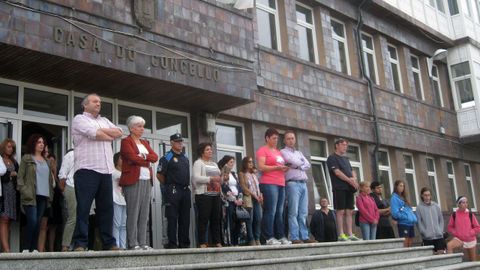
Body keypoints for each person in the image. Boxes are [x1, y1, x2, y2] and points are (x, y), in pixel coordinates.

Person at [71, 93, 123, 251]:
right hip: (87, 170)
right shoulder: (79, 119)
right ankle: (80, 243)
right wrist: (107, 135)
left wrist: (103, 132)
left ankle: (109, 243)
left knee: (107, 209)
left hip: (106, 171)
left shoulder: (104, 120)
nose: (98, 103)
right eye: (95, 101)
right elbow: (95, 134)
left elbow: (119, 132)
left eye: (100, 101)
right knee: (84, 208)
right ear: (85, 105)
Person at [119, 115, 158, 250]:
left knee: (144, 212)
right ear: (131, 128)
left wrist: (143, 156)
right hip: (132, 180)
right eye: (139, 126)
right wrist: (145, 159)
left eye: (143, 126)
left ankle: (143, 242)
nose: (142, 129)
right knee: (133, 212)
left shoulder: (145, 143)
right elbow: (131, 157)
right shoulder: (126, 142)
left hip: (147, 180)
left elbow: (155, 157)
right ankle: (133, 243)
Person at [17, 134, 54, 252]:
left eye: (43, 142)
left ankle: (34, 249)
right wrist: (23, 190)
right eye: (39, 142)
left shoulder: (47, 161)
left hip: (44, 196)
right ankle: (26, 248)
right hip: (30, 195)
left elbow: (49, 179)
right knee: (32, 221)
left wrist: (51, 195)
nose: (42, 144)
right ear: (33, 143)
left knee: (38, 223)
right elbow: (20, 177)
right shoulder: (27, 158)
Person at [256, 128, 291, 245]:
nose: (276, 140)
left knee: (280, 211)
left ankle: (280, 235)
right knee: (270, 210)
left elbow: (279, 166)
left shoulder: (278, 152)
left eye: (277, 138)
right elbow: (261, 166)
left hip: (281, 183)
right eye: (274, 138)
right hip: (269, 183)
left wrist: (284, 168)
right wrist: (277, 167)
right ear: (267, 138)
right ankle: (268, 237)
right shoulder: (262, 150)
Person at [157, 133, 191, 249]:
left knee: (185, 218)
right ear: (171, 143)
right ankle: (172, 244)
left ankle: (184, 244)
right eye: (177, 141)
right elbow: (159, 175)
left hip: (185, 190)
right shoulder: (167, 157)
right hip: (173, 190)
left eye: (181, 141)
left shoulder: (185, 157)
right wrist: (168, 186)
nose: (180, 143)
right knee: (172, 218)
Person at [280, 130, 315, 244]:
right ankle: (294, 236)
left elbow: (307, 164)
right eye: (288, 138)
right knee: (293, 211)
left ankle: (304, 236)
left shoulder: (299, 153)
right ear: (284, 140)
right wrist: (300, 164)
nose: (291, 140)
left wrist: (297, 165)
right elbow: (292, 161)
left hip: (303, 183)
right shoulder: (283, 152)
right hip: (292, 183)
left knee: (303, 212)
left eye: (292, 138)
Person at [326, 138, 359, 241]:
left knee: (349, 211)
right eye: (343, 145)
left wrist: (354, 178)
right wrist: (350, 181)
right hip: (339, 188)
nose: (345, 147)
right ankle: (341, 234)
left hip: (349, 189)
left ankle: (349, 233)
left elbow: (352, 170)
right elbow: (337, 172)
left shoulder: (346, 159)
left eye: (346, 145)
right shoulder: (332, 158)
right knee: (340, 211)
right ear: (337, 145)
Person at [192, 142, 222, 248]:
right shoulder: (198, 163)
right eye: (207, 150)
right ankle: (202, 242)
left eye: (211, 149)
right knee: (203, 219)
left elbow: (219, 177)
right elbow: (196, 178)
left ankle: (217, 241)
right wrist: (211, 179)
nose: (210, 151)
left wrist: (223, 178)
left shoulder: (214, 164)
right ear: (202, 152)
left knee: (216, 218)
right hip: (203, 194)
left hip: (215, 194)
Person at [238, 157, 263, 246]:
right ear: (245, 163)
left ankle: (257, 238)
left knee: (258, 218)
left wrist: (260, 194)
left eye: (252, 162)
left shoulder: (254, 174)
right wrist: (254, 195)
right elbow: (243, 187)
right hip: (249, 198)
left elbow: (257, 186)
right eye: (249, 162)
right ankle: (251, 239)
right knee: (250, 219)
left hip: (257, 198)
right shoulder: (242, 173)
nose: (251, 164)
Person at [447, 196, 480, 261]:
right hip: (459, 239)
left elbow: (478, 227)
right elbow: (450, 227)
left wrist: (470, 233)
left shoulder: (470, 214)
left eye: (466, 202)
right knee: (449, 245)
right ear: (458, 204)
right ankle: (450, 264)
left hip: (470, 240)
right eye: (463, 202)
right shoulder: (454, 215)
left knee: (472, 261)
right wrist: (456, 232)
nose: (465, 204)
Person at [0, 139, 18, 252]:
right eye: (8, 146)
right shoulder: (0, 159)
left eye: (12, 147)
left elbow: (19, 175)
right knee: (4, 219)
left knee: (9, 221)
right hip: (3, 192)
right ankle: (7, 250)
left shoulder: (14, 162)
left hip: (12, 192)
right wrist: (10, 174)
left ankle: (4, 249)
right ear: (3, 147)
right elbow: (2, 175)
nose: (10, 149)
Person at [416, 187, 446, 254]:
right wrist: (424, 232)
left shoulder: (436, 206)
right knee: (430, 258)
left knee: (441, 257)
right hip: (427, 238)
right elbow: (419, 222)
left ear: (431, 196)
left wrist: (440, 231)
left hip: (439, 237)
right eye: (425, 195)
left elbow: (441, 219)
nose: (427, 197)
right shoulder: (419, 208)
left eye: (428, 195)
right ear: (422, 196)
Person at [390, 180, 417, 247]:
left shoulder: (404, 197)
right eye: (400, 186)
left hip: (410, 223)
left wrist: (412, 217)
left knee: (410, 242)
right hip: (403, 223)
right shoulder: (394, 198)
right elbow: (395, 212)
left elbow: (409, 210)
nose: (402, 188)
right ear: (396, 187)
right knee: (405, 242)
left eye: (403, 186)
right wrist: (404, 217)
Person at [58, 149, 75, 251]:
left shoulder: (88, 153)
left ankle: (79, 244)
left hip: (84, 187)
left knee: (83, 218)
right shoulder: (71, 154)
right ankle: (65, 245)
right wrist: (64, 190)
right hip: (72, 185)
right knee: (73, 217)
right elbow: (62, 175)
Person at [112, 152, 126, 249]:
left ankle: (123, 246)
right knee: (116, 224)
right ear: (116, 160)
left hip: (125, 200)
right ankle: (116, 245)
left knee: (124, 225)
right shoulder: (112, 172)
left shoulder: (126, 172)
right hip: (116, 199)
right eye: (121, 158)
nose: (123, 161)